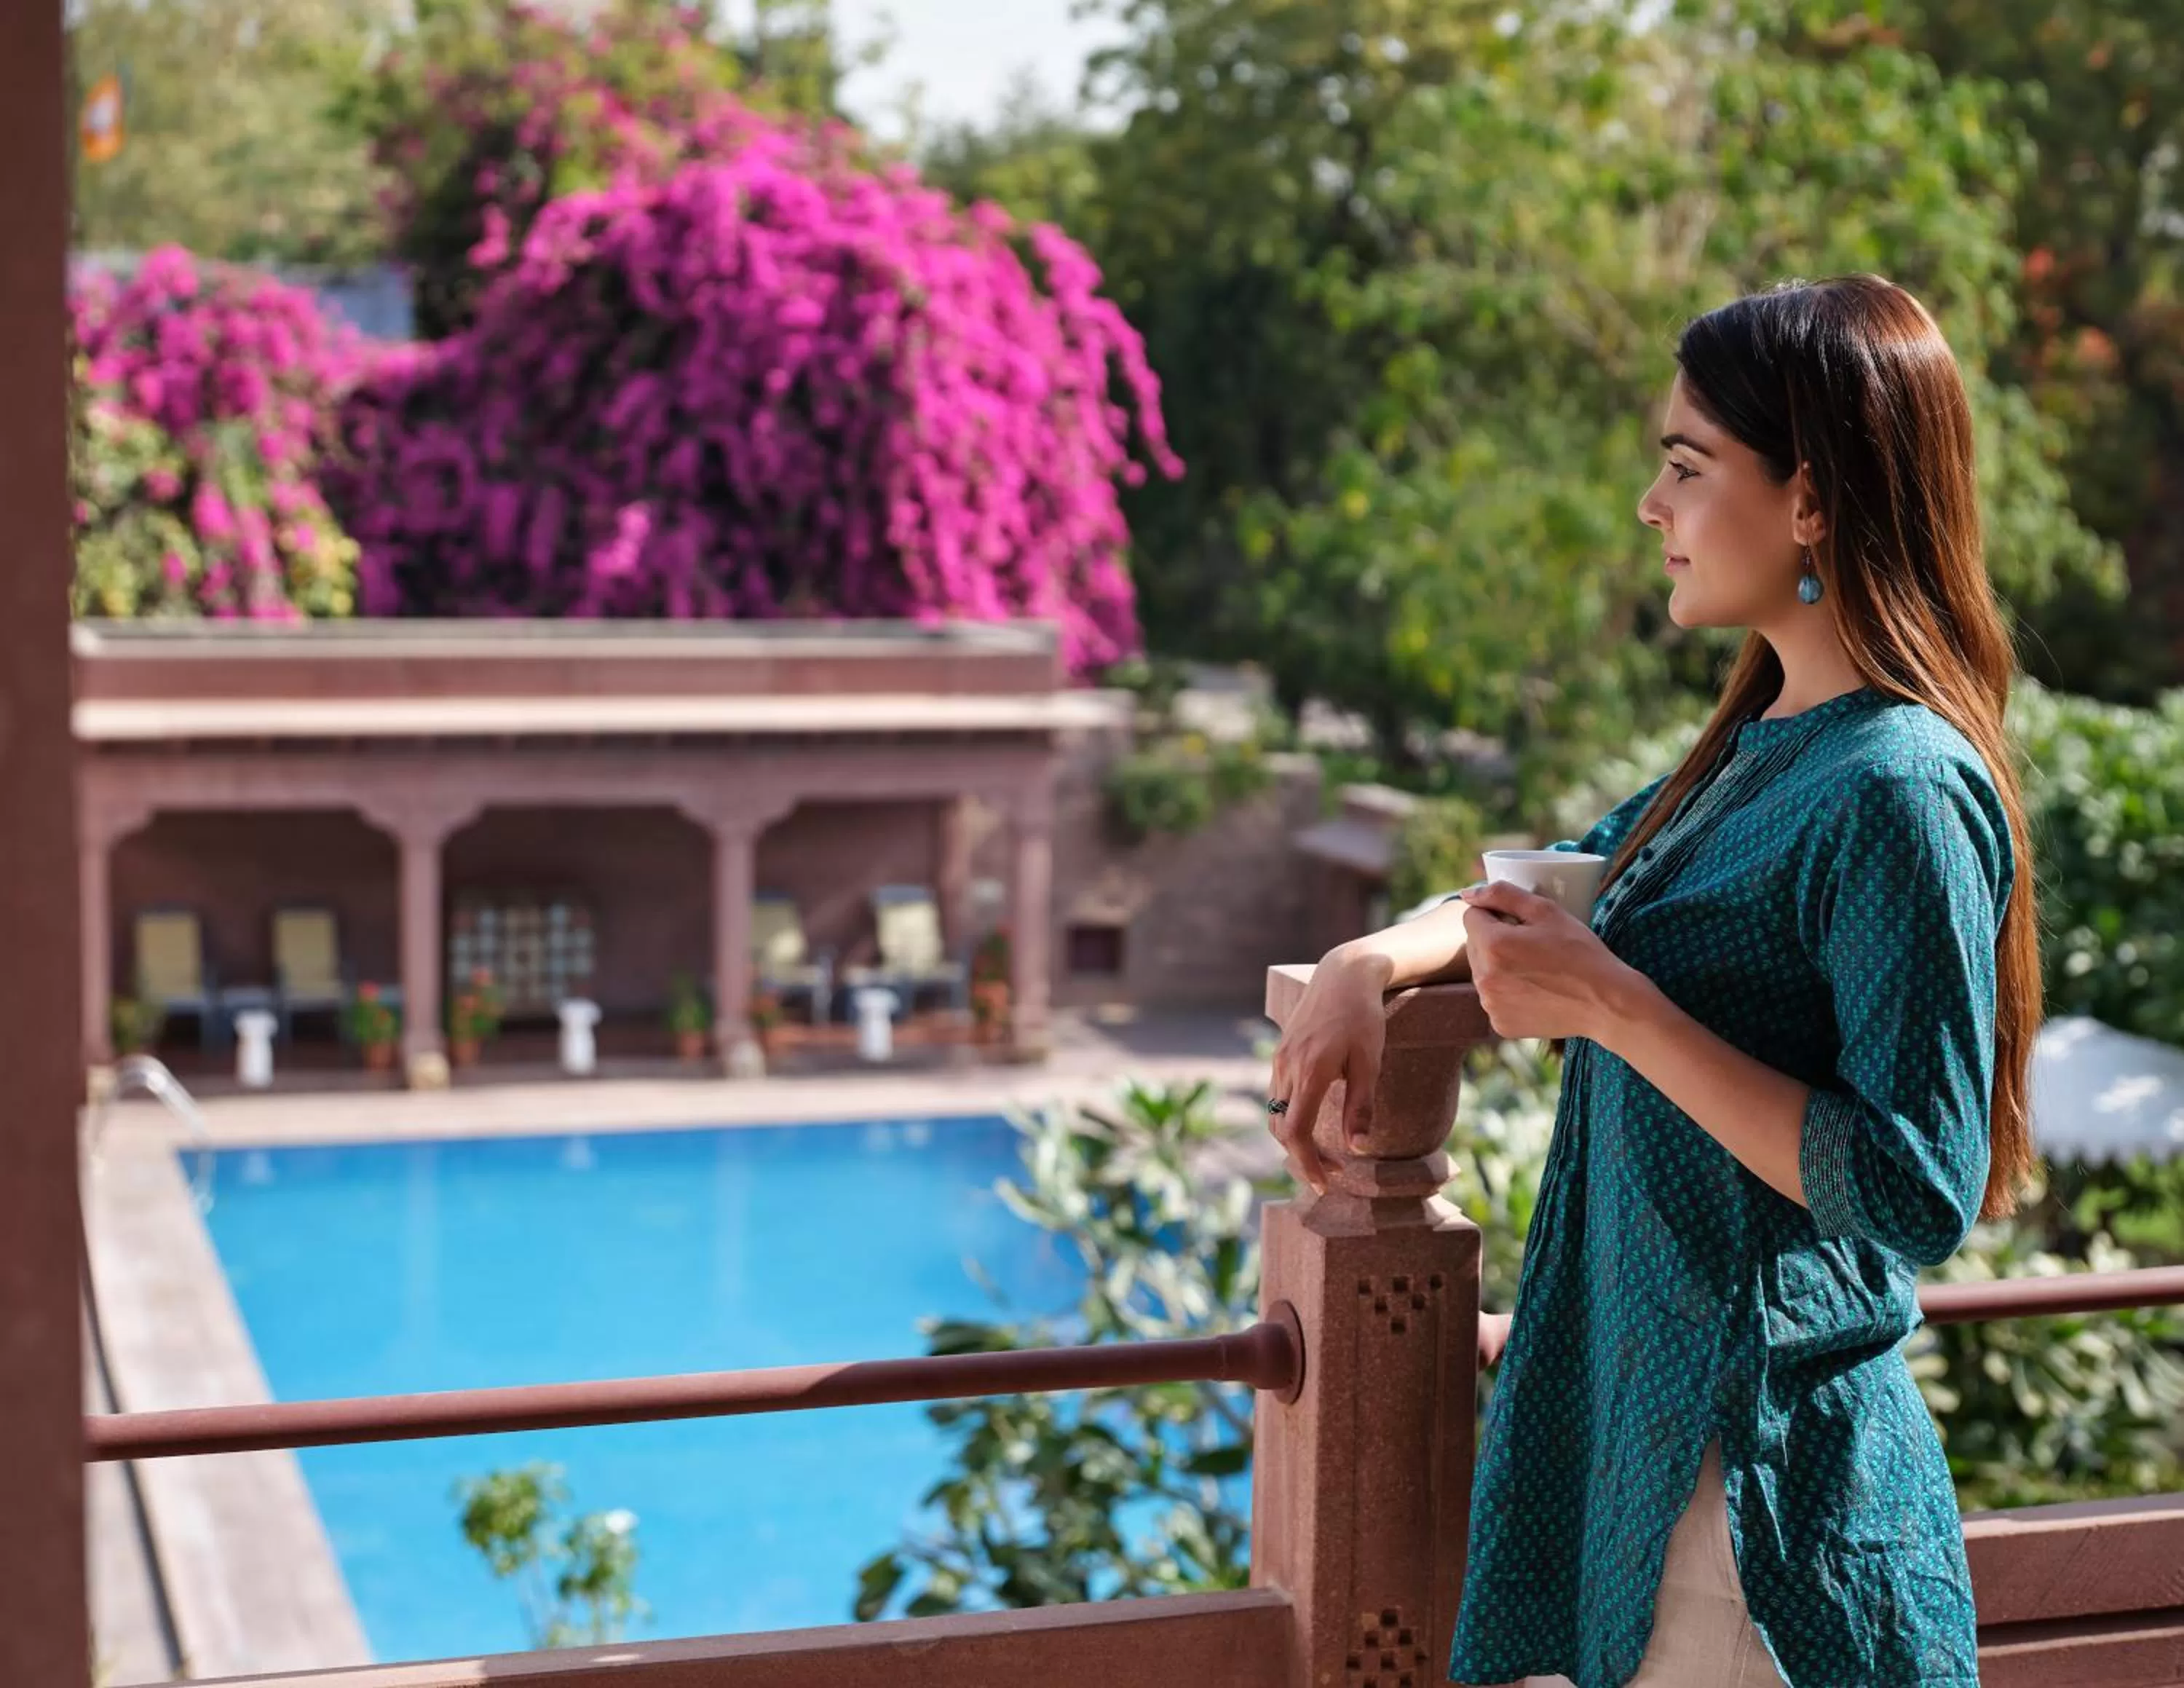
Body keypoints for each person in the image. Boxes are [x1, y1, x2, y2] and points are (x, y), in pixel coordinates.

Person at [1263, 275, 2041, 1688]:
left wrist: (1614, 1005)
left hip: (1768, 1506)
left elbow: (1916, 1187)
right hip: (1669, 1481)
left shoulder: (1900, 786)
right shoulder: (1760, 752)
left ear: (1811, 500)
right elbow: (1547, 885)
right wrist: (1363, 962)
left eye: (1688, 467)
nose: (1651, 505)